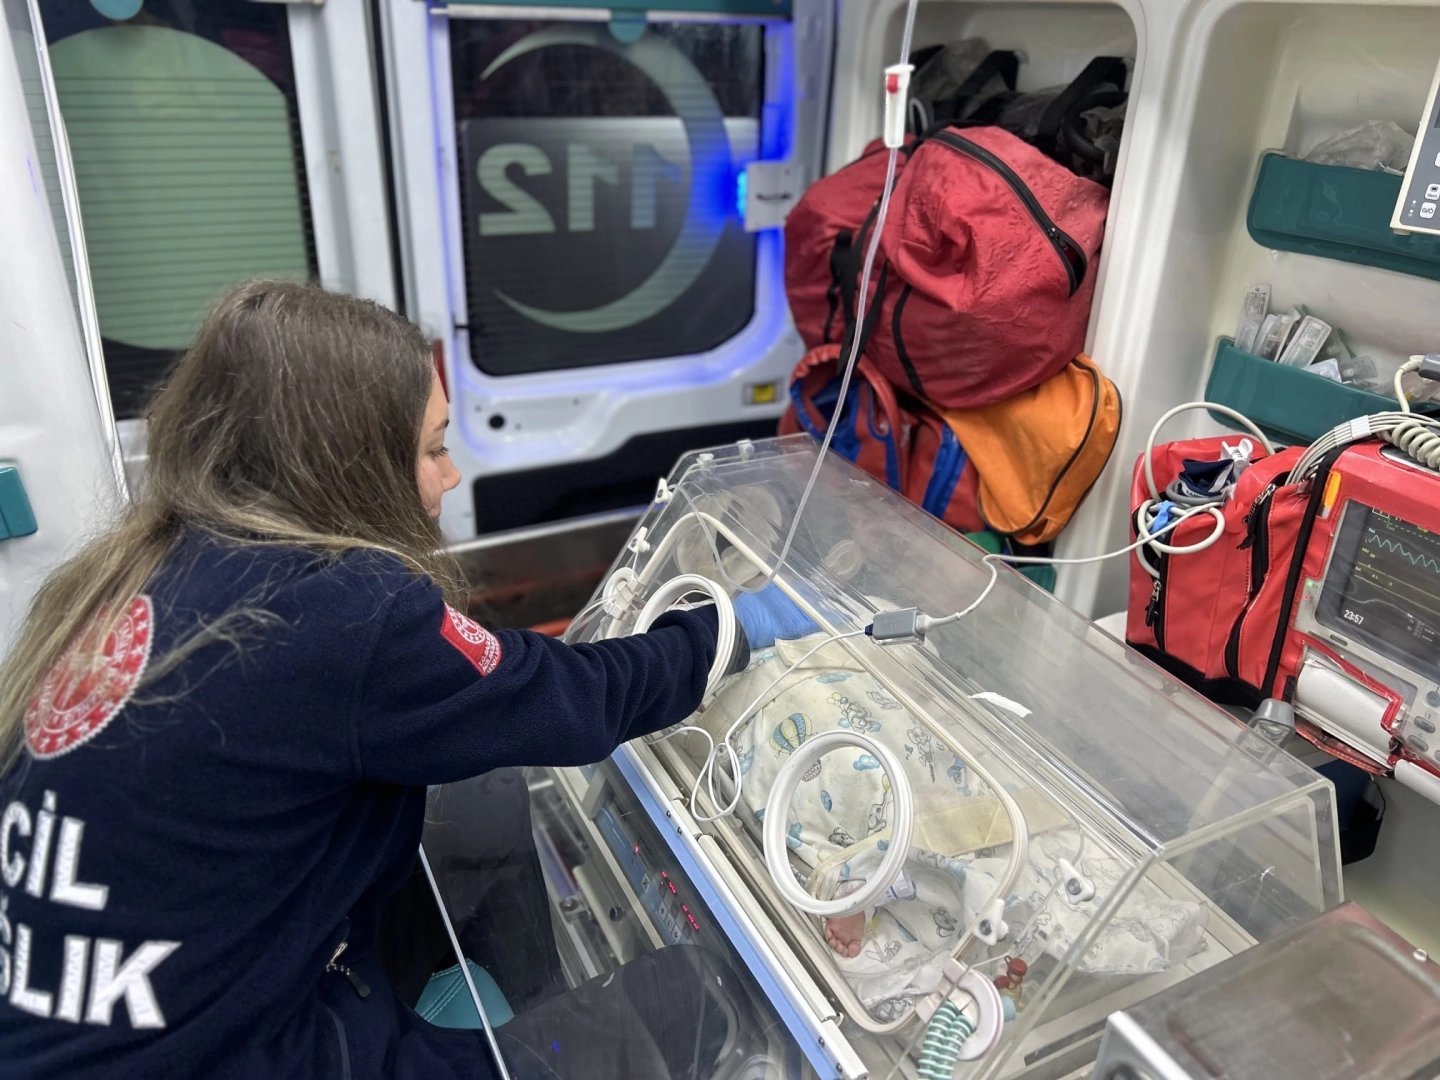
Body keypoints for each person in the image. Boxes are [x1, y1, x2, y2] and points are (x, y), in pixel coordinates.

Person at [0, 282, 774, 1079]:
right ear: (348, 464)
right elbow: (572, 699)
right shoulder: (334, 606)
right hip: (233, 1056)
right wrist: (730, 631)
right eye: (434, 448)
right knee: (704, 997)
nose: (453, 474)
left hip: (120, 1022)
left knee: (483, 801)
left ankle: (493, 1016)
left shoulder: (138, 571)